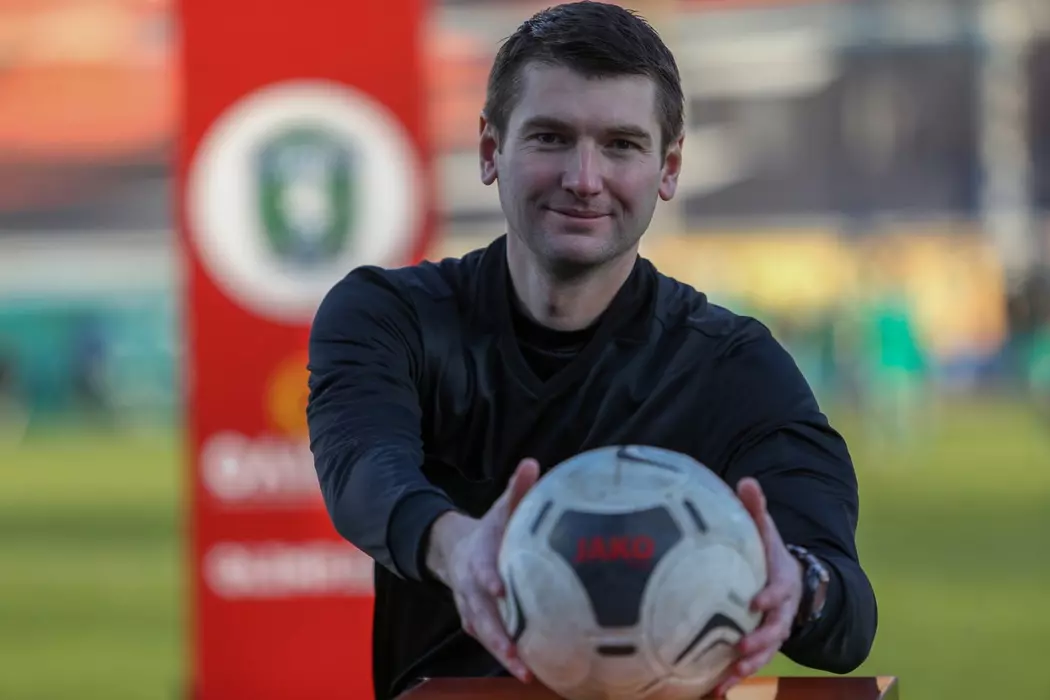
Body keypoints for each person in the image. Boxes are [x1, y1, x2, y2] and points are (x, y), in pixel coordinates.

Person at [306, 3, 878, 699]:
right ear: (490, 150)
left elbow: (847, 613)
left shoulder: (734, 367)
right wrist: (460, 549)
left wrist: (797, 584)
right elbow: (363, 470)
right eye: (550, 137)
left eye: (621, 145)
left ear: (668, 168)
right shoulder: (389, 317)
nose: (583, 178)